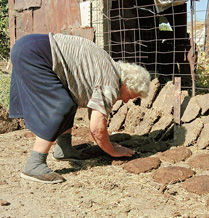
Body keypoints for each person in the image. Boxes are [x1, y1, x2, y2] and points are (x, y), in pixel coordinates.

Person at [9, 33, 151, 184]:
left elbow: (94, 111)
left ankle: (64, 149)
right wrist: (112, 150)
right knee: (61, 105)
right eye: (130, 95)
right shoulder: (110, 82)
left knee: (69, 100)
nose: (126, 100)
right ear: (127, 84)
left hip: (29, 46)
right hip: (34, 53)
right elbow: (96, 128)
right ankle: (34, 164)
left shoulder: (109, 68)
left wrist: (105, 141)